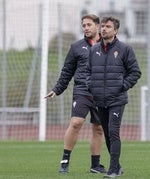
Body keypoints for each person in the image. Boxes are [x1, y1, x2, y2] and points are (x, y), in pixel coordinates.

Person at [45, 14, 106, 174]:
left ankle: (95, 165)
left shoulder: (110, 45)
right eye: (83, 25)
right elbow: (67, 71)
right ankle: (65, 161)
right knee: (76, 122)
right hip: (82, 91)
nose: (85, 28)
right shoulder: (77, 47)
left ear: (98, 26)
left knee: (99, 128)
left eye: (89, 25)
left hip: (102, 93)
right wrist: (57, 89)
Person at [86, 16, 141, 178]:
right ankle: (117, 166)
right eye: (102, 26)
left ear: (115, 30)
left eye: (108, 27)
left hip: (117, 99)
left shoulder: (125, 49)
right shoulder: (93, 50)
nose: (104, 29)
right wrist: (92, 86)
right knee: (107, 133)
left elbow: (135, 72)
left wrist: (122, 86)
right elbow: (87, 72)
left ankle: (113, 169)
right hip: (99, 99)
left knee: (113, 131)